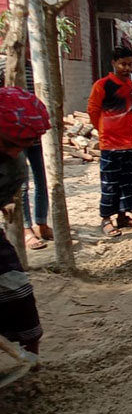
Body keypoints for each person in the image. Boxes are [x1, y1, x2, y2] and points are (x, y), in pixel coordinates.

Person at [0, 86, 50, 357]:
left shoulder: (13, 169)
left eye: (21, 147)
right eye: (8, 143)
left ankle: (30, 360)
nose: (13, 152)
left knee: (17, 293)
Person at [87, 46, 132, 237]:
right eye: (122, 64)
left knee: (128, 182)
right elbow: (93, 111)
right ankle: (106, 218)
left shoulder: (131, 87)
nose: (126, 68)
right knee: (110, 184)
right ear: (114, 63)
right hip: (110, 144)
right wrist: (103, 129)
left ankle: (122, 215)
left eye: (129, 64)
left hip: (130, 143)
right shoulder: (102, 85)